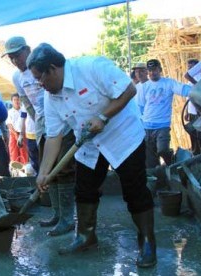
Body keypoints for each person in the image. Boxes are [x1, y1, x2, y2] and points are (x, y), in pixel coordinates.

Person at [28, 43, 156, 267]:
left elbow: (129, 90)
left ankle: (147, 241)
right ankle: (86, 236)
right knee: (84, 190)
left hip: (123, 137)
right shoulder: (51, 98)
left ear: (53, 68)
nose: (39, 84)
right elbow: (54, 136)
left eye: (40, 78)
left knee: (135, 190)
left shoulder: (91, 67)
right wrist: (44, 172)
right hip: (88, 144)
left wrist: (103, 117)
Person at [4, 36, 76, 236]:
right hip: (43, 123)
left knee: (64, 168)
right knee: (48, 169)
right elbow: (27, 101)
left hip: (63, 118)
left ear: (28, 50)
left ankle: (68, 219)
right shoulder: (17, 78)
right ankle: (57, 214)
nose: (15, 61)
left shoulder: (45, 65)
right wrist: (39, 121)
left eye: (17, 55)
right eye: (11, 57)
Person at [139, 59, 191, 169]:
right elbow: (140, 107)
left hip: (162, 125)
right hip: (147, 126)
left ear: (160, 70)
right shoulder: (144, 87)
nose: (152, 72)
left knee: (162, 150)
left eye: (155, 70)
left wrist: (196, 91)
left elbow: (183, 89)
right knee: (150, 160)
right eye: (150, 70)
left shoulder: (169, 83)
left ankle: (171, 162)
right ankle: (158, 180)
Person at [184, 59, 201, 155]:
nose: (190, 68)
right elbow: (188, 96)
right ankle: (195, 151)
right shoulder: (189, 81)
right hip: (191, 110)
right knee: (193, 132)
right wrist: (186, 111)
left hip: (200, 110)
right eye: (189, 66)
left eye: (192, 66)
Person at [6, 93, 29, 165]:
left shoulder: (24, 110)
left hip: (24, 133)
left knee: (24, 152)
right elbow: (9, 124)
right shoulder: (9, 112)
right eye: (14, 100)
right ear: (12, 101)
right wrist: (16, 135)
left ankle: (24, 169)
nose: (16, 101)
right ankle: (15, 170)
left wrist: (21, 135)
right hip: (13, 134)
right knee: (13, 152)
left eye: (18, 99)